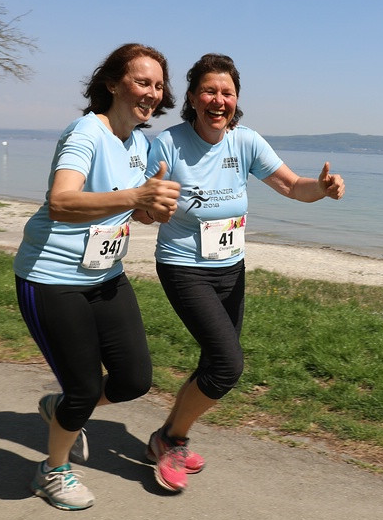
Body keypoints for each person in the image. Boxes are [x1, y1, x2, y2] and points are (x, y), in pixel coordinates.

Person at [142, 53, 345, 492]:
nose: (219, 101)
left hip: (231, 268)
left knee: (212, 359)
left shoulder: (246, 142)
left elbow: (292, 186)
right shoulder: (167, 145)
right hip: (183, 265)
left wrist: (323, 190)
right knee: (228, 365)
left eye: (227, 93)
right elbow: (141, 204)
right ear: (193, 98)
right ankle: (170, 438)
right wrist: (148, 205)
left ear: (236, 101)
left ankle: (168, 439)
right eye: (210, 92)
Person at [13, 43, 182, 510]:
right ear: (112, 84)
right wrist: (136, 195)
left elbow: (134, 207)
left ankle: (61, 410)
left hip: (105, 274)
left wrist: (153, 207)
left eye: (158, 85)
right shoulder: (86, 133)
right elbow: (62, 203)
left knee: (133, 379)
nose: (151, 93)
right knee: (84, 388)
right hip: (51, 277)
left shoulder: (141, 143)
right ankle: (52, 471)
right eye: (141, 82)